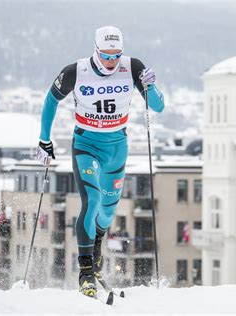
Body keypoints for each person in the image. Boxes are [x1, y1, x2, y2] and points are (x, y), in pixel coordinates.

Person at [36, 26, 165, 297]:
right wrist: (44, 141)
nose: (111, 61)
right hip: (86, 144)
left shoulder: (132, 67)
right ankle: (85, 272)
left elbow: (158, 106)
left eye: (116, 55)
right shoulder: (76, 71)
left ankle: (96, 252)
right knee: (91, 200)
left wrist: (151, 86)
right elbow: (50, 100)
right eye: (106, 56)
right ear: (95, 50)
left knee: (106, 213)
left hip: (117, 147)